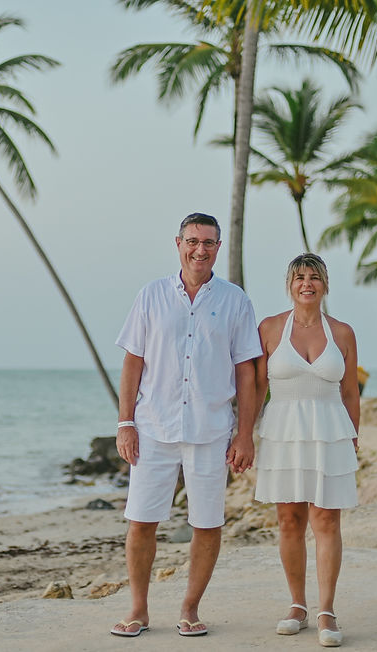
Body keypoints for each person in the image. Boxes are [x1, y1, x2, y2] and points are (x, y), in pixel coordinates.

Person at [110, 213, 262, 638]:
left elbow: (246, 371)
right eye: (192, 241)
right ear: (177, 243)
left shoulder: (236, 301)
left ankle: (190, 608)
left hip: (211, 430)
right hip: (153, 426)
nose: (200, 249)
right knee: (141, 520)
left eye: (209, 242)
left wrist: (245, 433)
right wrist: (125, 423)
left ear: (218, 246)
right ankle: (138, 608)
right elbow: (133, 361)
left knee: (208, 523)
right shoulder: (151, 295)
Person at [253, 253, 360, 648]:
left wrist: (353, 437)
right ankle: (297, 605)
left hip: (330, 431)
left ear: (325, 285)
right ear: (289, 284)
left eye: (314, 277)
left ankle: (327, 611)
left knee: (327, 522)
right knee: (288, 521)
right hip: (282, 430)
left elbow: (350, 393)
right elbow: (254, 388)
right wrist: (243, 434)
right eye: (299, 277)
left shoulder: (343, 333)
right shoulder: (269, 328)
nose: (307, 284)